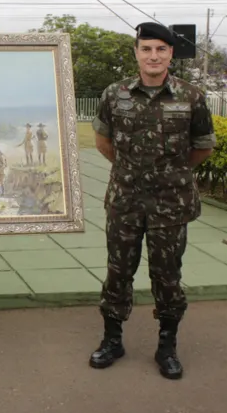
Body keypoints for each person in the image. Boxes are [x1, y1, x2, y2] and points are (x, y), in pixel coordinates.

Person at [88, 22, 216, 380]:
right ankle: (112, 340)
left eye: (161, 49)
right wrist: (132, 172)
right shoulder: (115, 94)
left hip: (170, 205)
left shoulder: (191, 97)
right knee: (118, 272)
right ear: (136, 53)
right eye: (146, 49)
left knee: (167, 276)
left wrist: (169, 174)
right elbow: (103, 142)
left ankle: (167, 347)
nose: (154, 56)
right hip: (125, 202)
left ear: (171, 54)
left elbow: (202, 147)